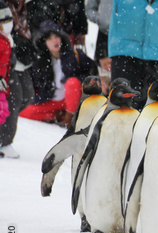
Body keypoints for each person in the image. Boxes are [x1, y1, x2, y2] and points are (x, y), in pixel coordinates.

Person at [108, 0, 158, 109]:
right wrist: (103, 47)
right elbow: (105, 12)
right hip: (124, 54)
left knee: (155, 112)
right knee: (121, 110)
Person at [19, 20, 97, 126]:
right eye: (50, 38)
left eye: (56, 37)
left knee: (72, 82)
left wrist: (78, 80)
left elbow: (92, 71)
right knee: (23, 111)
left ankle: (69, 117)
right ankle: (57, 116)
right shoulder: (39, 62)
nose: (54, 41)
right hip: (52, 100)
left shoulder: (74, 55)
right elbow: (33, 85)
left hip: (72, 99)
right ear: (44, 42)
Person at [1, 0, 35, 158]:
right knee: (14, 98)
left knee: (26, 96)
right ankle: (4, 141)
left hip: (16, 59)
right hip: (6, 67)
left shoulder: (22, 7)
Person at [85, 0, 112, 95]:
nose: (108, 67)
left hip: (128, 34)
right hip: (104, 32)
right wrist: (101, 19)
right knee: (102, 60)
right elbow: (89, 9)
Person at [0, 1, 13, 157]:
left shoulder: (6, 40)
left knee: (3, 110)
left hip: (2, 83)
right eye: (4, 22)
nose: (7, 25)